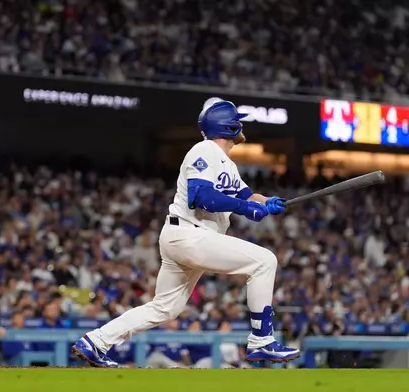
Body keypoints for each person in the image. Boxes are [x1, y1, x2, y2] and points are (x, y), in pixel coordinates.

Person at [72, 100, 300, 367]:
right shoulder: (203, 150)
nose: (242, 125)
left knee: (164, 308)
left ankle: (96, 341)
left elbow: (247, 196)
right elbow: (201, 196)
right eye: (238, 121)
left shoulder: (225, 162)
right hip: (190, 235)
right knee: (265, 261)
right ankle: (262, 341)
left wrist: (267, 202)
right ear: (228, 126)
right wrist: (247, 209)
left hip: (188, 237)